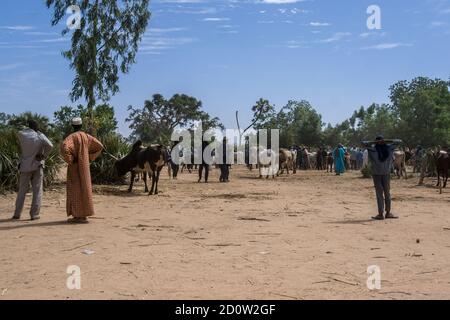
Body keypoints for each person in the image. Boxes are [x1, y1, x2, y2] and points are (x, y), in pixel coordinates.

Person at [60, 118, 103, 224]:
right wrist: (89, 157)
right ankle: (83, 215)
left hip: (75, 168)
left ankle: (78, 216)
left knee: (75, 190)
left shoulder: (71, 137)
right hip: (85, 167)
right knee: (85, 189)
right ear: (81, 125)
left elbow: (64, 147)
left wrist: (71, 159)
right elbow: (99, 146)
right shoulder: (86, 137)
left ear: (72, 126)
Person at [12, 120, 53, 221]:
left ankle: (17, 214)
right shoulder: (39, 136)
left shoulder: (21, 134)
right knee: (37, 191)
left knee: (22, 191)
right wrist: (43, 156)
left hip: (24, 166)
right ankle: (34, 214)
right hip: (37, 165)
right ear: (36, 127)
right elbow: (50, 145)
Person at [363, 135, 401, 220]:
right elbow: (398, 141)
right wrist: (385, 141)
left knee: (382, 194)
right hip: (381, 174)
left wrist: (379, 141)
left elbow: (399, 141)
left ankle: (384, 213)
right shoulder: (387, 149)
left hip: (381, 174)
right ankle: (384, 213)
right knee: (385, 193)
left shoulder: (376, 149)